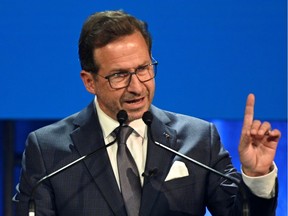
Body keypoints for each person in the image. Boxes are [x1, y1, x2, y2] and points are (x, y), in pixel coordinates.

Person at [14, 10, 281, 215]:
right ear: (89, 81)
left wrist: (256, 175)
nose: (136, 87)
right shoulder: (48, 150)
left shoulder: (200, 139)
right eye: (119, 75)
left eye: (143, 69)